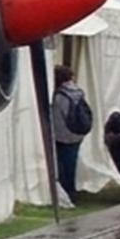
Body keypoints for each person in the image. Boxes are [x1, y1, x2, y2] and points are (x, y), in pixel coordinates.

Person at [50, 66, 92, 201]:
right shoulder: (78, 92)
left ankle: (66, 193)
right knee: (71, 164)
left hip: (63, 135)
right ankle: (71, 191)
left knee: (62, 165)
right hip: (77, 133)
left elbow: (57, 118)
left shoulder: (59, 96)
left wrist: (54, 134)